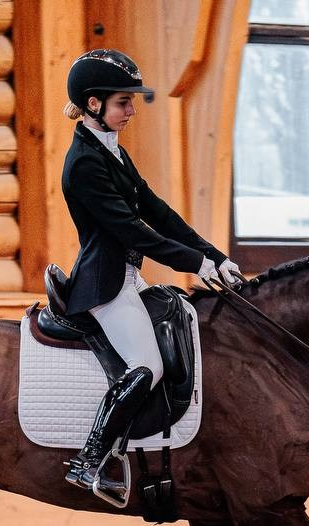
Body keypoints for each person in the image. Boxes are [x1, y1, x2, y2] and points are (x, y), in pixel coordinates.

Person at [59, 48, 243, 492]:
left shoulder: (111, 152)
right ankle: (89, 460)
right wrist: (194, 264)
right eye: (123, 102)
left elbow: (158, 212)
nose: (131, 110)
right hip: (103, 285)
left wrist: (214, 257)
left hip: (127, 277)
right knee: (145, 366)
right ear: (93, 104)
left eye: (131, 101)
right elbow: (134, 232)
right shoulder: (84, 162)